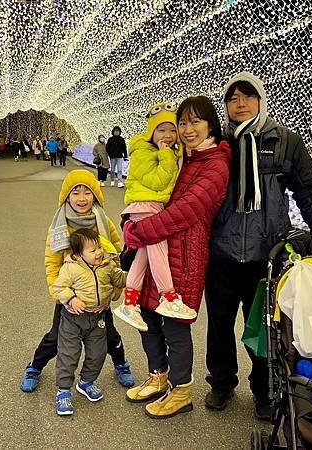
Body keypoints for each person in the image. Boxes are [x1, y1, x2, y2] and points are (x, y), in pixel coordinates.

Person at [203, 72, 312, 420]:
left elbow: (309, 188)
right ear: (227, 106)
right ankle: (221, 382)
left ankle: (263, 389)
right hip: (221, 251)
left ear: (261, 101)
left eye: (248, 96)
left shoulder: (286, 142)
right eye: (233, 98)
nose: (241, 103)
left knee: (264, 327)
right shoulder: (217, 144)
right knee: (219, 325)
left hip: (268, 254)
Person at [122, 96, 231, 419]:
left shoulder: (216, 164)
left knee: (175, 325)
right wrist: (133, 220)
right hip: (161, 247)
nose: (187, 129)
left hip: (184, 255)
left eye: (195, 122)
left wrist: (139, 232)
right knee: (149, 316)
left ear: (211, 125)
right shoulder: (183, 156)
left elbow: (186, 211)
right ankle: (159, 376)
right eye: (182, 122)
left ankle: (181, 390)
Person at [20, 169, 135, 393]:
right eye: (75, 193)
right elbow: (52, 262)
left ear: (96, 195)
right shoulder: (59, 226)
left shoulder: (103, 221)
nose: (82, 198)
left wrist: (114, 290)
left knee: (109, 335)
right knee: (55, 337)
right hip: (69, 297)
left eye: (87, 192)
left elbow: (116, 254)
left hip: (98, 293)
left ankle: (121, 364)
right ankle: (34, 367)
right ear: (66, 196)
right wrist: (60, 296)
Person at [114, 102, 197, 332]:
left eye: (172, 130)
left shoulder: (167, 151)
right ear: (151, 132)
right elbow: (158, 181)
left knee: (143, 256)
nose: (168, 135)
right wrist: (165, 154)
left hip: (151, 207)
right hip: (144, 207)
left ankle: (129, 302)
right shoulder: (142, 152)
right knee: (160, 252)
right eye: (161, 130)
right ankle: (168, 297)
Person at [52, 228, 127, 415]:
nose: (99, 252)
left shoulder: (107, 265)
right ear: (78, 254)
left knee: (98, 353)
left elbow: (119, 279)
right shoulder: (71, 267)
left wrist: (136, 272)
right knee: (69, 354)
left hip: (97, 318)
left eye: (99, 247)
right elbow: (59, 286)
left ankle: (86, 382)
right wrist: (71, 299)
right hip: (73, 319)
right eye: (92, 250)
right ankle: (63, 391)